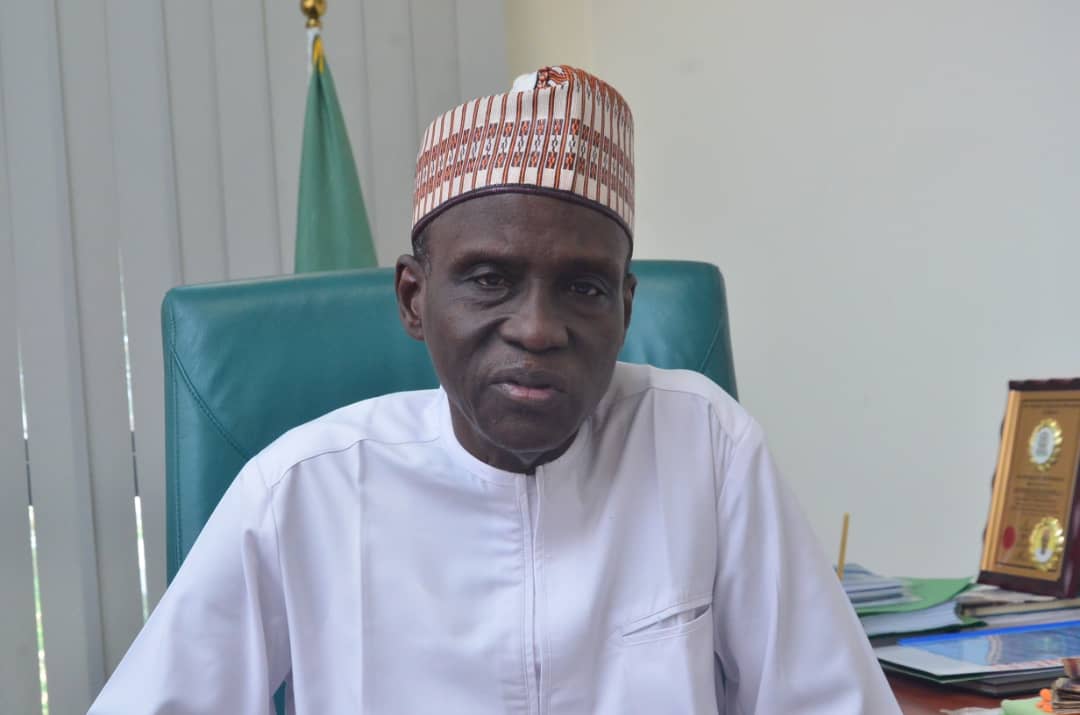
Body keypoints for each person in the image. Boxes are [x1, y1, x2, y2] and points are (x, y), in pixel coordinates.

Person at [90, 66, 900, 714]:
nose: (539, 329)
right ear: (414, 298)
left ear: (626, 307)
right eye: (489, 279)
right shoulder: (301, 491)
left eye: (583, 287)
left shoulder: (705, 446)